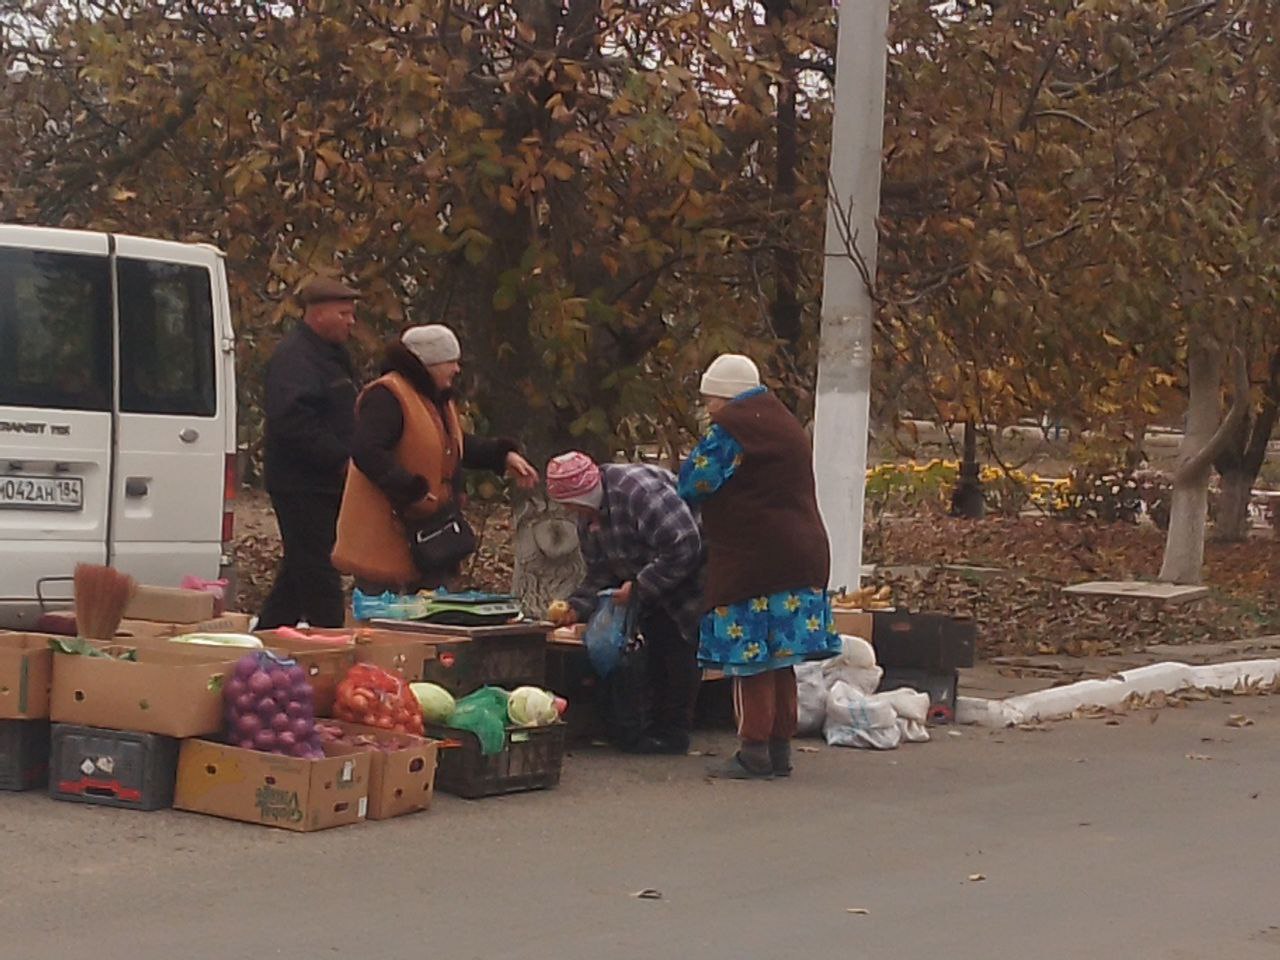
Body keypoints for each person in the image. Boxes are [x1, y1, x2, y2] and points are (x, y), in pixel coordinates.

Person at [678, 353, 840, 779]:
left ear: (724, 395)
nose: (709, 408)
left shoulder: (733, 429)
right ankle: (779, 749)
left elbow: (694, 481)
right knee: (781, 657)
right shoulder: (783, 423)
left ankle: (753, 750)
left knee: (749, 659)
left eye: (710, 399)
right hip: (803, 554)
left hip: (755, 560)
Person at [331, 324, 538, 593]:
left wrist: (500, 455)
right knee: (385, 624)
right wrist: (412, 490)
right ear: (428, 363)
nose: (456, 369)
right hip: (385, 535)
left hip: (428, 536)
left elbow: (448, 446)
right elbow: (367, 451)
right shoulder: (387, 396)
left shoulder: (434, 399)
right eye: (450, 362)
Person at [545, 452, 704, 754]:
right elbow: (600, 572)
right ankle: (648, 726)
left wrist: (641, 585)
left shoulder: (638, 492)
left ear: (583, 495)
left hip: (691, 568)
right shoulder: (588, 520)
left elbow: (685, 544)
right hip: (645, 574)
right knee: (648, 645)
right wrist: (577, 606)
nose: (568, 511)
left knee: (678, 642)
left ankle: (673, 731)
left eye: (569, 504)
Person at [258, 276, 361, 630]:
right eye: (344, 313)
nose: (351, 322)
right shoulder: (294, 359)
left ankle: (266, 639)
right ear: (318, 314)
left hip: (325, 483)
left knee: (298, 573)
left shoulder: (332, 357)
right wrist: (340, 459)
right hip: (301, 484)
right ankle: (331, 645)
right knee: (319, 570)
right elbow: (292, 421)